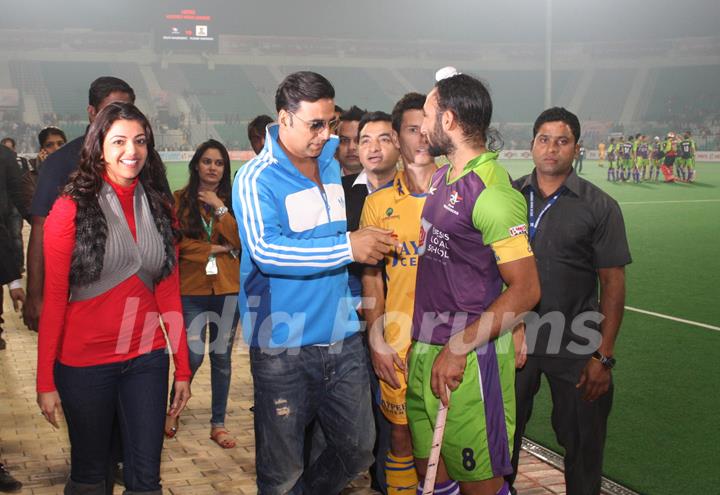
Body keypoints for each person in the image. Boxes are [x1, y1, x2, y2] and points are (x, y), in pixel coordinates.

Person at [233, 71, 395, 494]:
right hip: (281, 345)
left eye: (332, 123)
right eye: (315, 125)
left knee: (359, 450)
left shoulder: (329, 163)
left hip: (342, 340)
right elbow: (267, 252)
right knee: (282, 473)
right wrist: (348, 247)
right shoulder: (255, 177)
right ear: (284, 119)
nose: (327, 136)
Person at [36, 102, 192, 494]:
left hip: (146, 358)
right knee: (91, 476)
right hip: (84, 363)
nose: (132, 151)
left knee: (146, 477)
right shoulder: (69, 210)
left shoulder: (160, 206)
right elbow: (55, 301)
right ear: (99, 146)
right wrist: (44, 381)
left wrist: (183, 368)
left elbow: (169, 293)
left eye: (140, 141)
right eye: (119, 140)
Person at [407, 71, 540, 495]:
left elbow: (526, 291)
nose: (421, 125)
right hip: (426, 348)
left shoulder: (493, 192)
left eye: (427, 115)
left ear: (448, 121)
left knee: (479, 484)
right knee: (434, 479)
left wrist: (459, 346)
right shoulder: (444, 178)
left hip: (469, 361)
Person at [509, 107, 631, 495]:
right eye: (543, 139)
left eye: (562, 141)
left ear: (576, 148)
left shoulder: (600, 206)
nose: (551, 149)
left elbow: (612, 284)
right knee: (501, 441)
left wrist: (603, 355)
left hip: (575, 341)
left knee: (583, 449)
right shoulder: (510, 197)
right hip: (516, 337)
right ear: (531, 145)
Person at [361, 94, 436, 495]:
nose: (422, 136)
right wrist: (377, 340)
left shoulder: (461, 192)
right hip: (400, 342)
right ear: (396, 137)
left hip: (451, 341)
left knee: (450, 444)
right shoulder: (377, 204)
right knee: (402, 439)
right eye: (412, 129)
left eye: (427, 127)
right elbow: (372, 279)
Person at [24, 76, 136, 332]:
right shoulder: (61, 162)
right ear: (91, 112)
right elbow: (40, 228)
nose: (118, 118)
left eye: (126, 111)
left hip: (130, 293)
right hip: (76, 293)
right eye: (110, 110)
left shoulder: (141, 161)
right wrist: (34, 294)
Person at [165, 139, 241, 449]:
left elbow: (241, 239)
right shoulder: (179, 200)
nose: (212, 167)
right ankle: (173, 411)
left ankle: (218, 424)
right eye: (207, 161)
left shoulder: (235, 202)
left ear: (225, 169)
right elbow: (177, 246)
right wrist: (214, 249)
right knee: (192, 356)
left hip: (227, 290)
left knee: (221, 359)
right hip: (192, 291)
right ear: (196, 164)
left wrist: (219, 207)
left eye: (219, 163)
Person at [336, 105, 366, 176]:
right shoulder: (322, 183)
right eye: (344, 140)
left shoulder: (387, 183)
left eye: (358, 140)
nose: (351, 147)